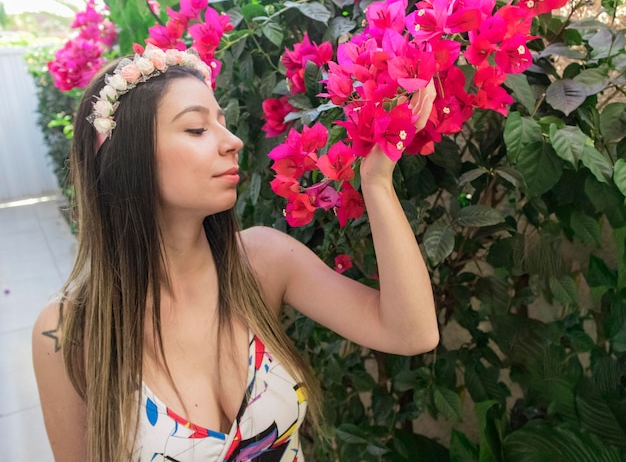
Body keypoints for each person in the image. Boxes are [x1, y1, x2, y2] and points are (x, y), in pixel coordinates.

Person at [32, 44, 439, 461]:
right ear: (126, 158)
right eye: (196, 129)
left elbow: (411, 332)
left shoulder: (262, 262)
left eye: (223, 123)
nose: (234, 142)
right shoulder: (71, 330)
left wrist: (376, 182)